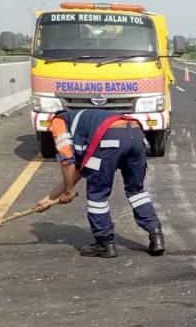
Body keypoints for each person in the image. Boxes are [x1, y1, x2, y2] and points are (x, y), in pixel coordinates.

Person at [35, 109, 165, 258]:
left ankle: (104, 244)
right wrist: (50, 198)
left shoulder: (58, 121)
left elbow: (66, 161)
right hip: (136, 135)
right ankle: (156, 236)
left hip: (109, 139)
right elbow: (77, 171)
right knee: (137, 191)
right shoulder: (87, 120)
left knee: (97, 195)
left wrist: (68, 192)